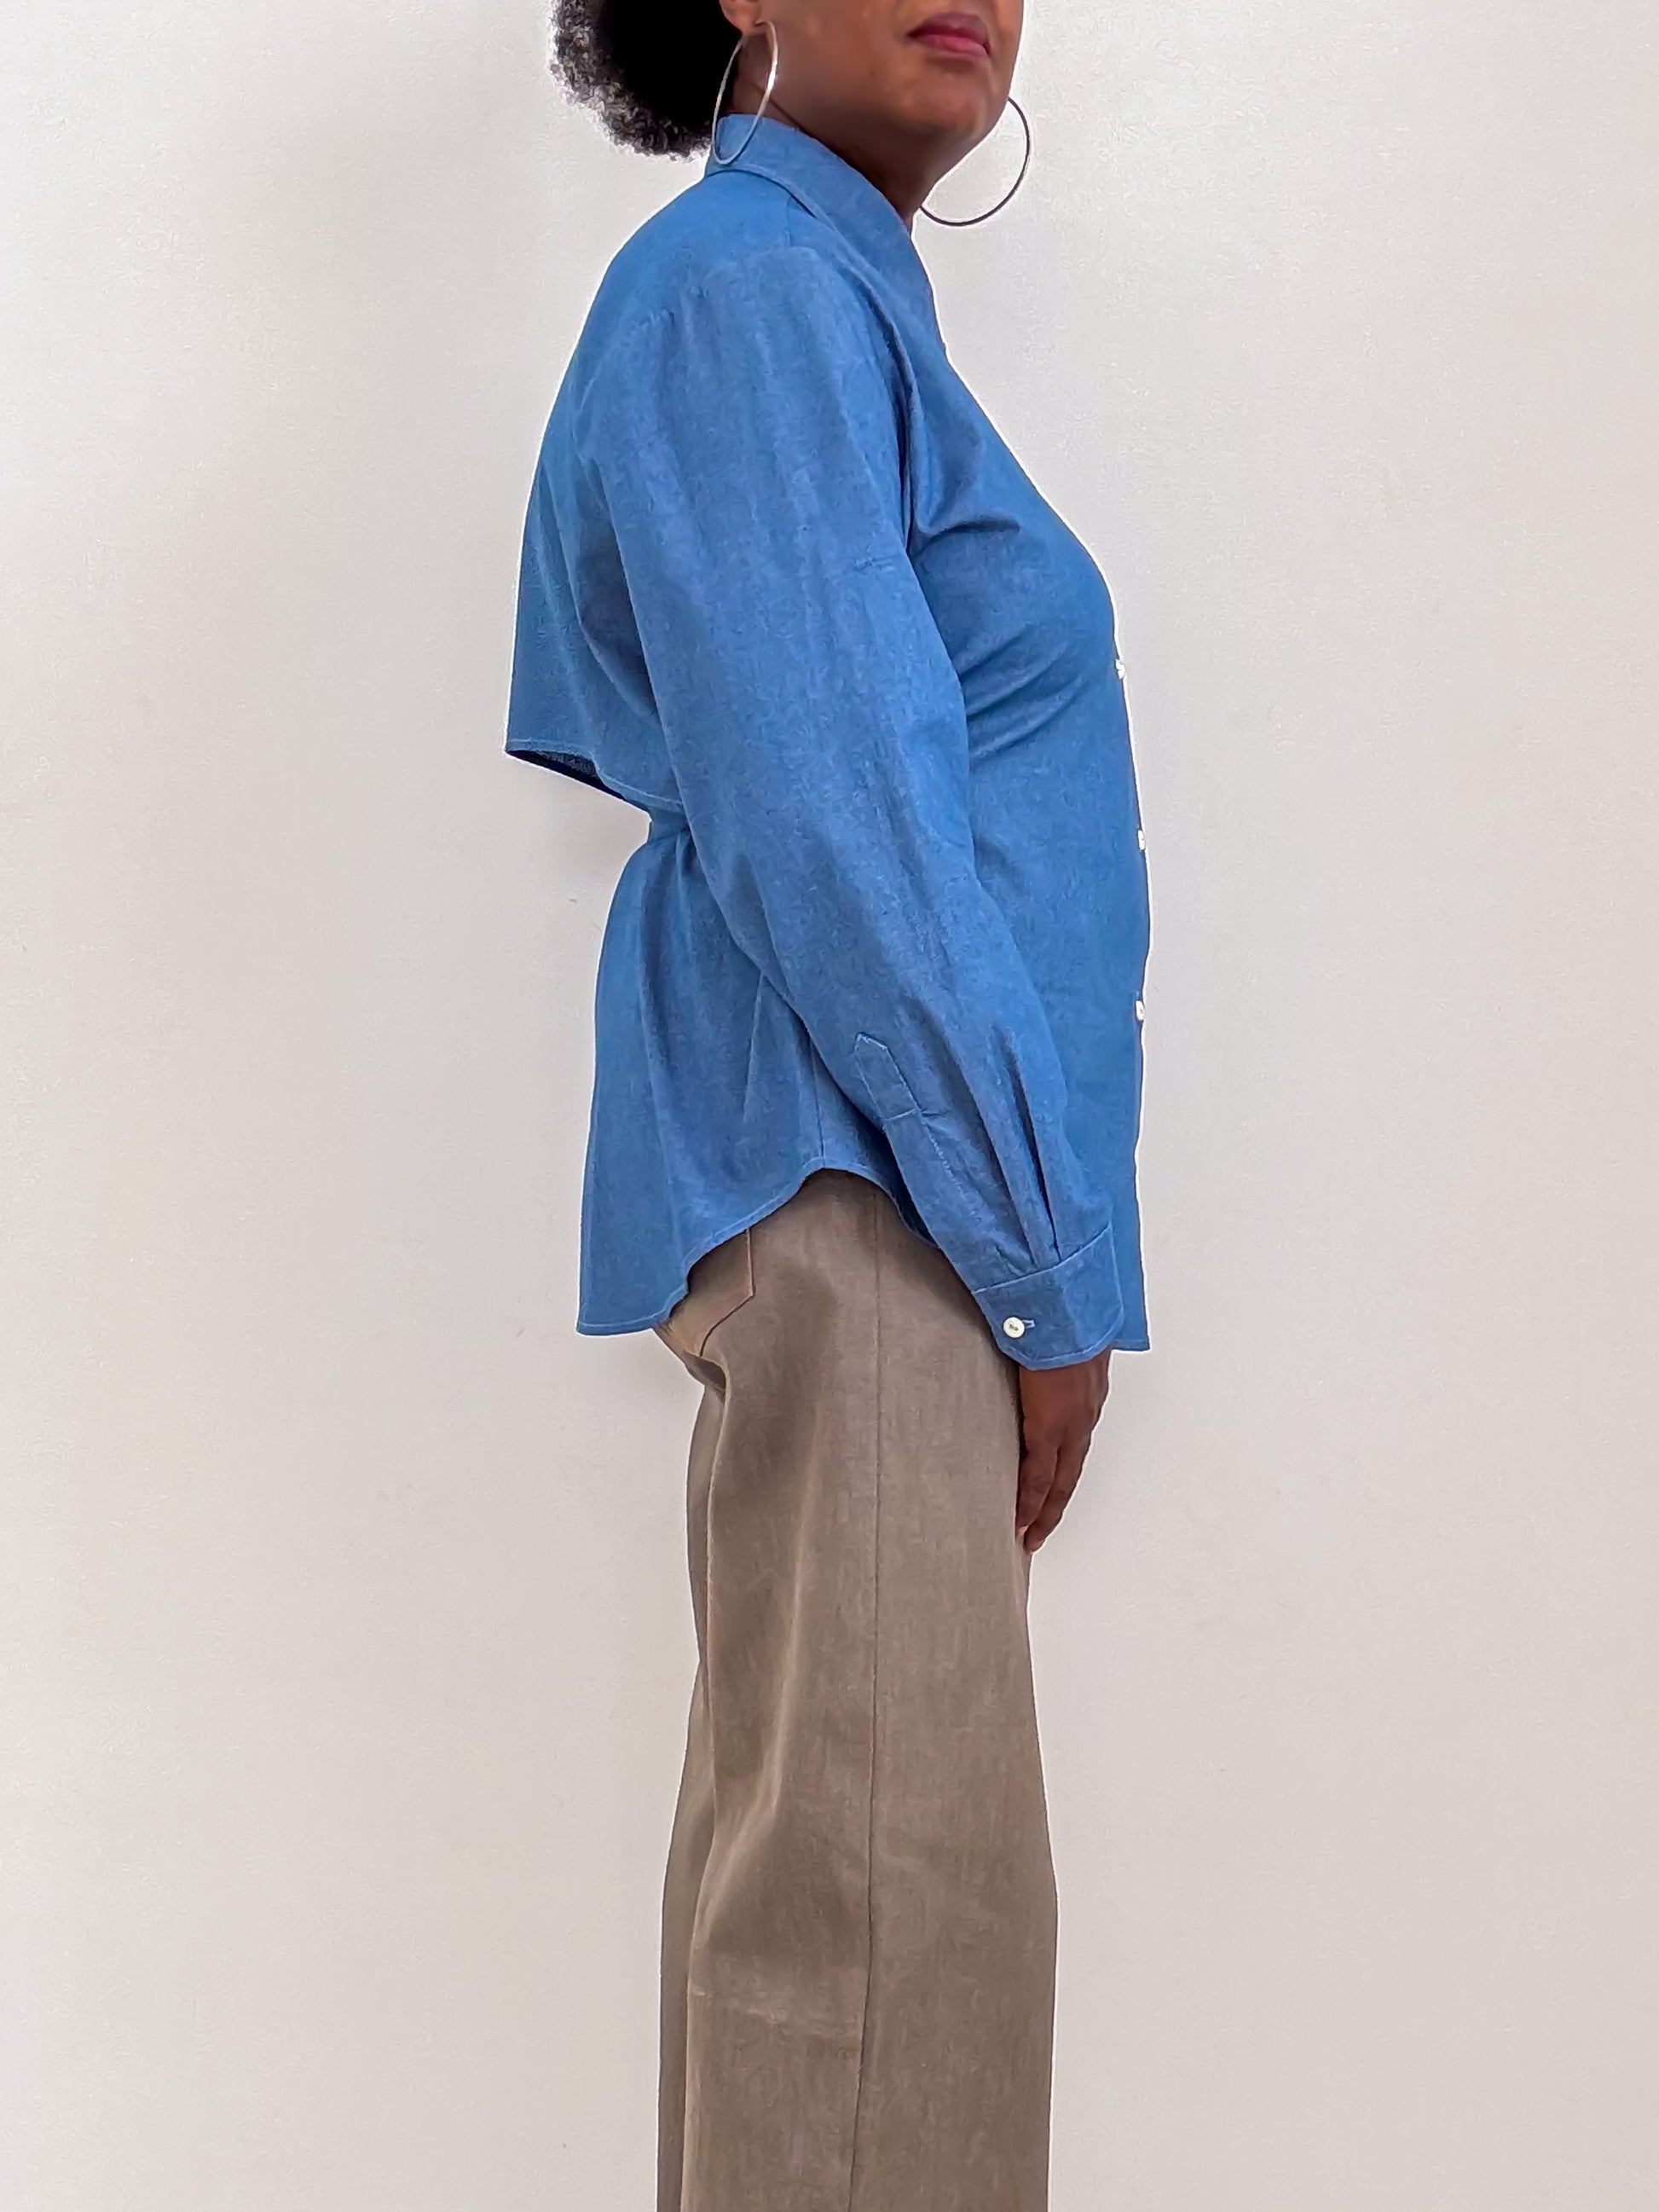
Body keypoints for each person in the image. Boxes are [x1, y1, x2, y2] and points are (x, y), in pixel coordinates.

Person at [503, 3, 1153, 2204]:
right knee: (893, 1931)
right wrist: (1042, 1273)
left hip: (879, 1189)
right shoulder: (755, 290)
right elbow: (836, 825)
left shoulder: (810, 293)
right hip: (874, 1193)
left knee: (833, 1913)